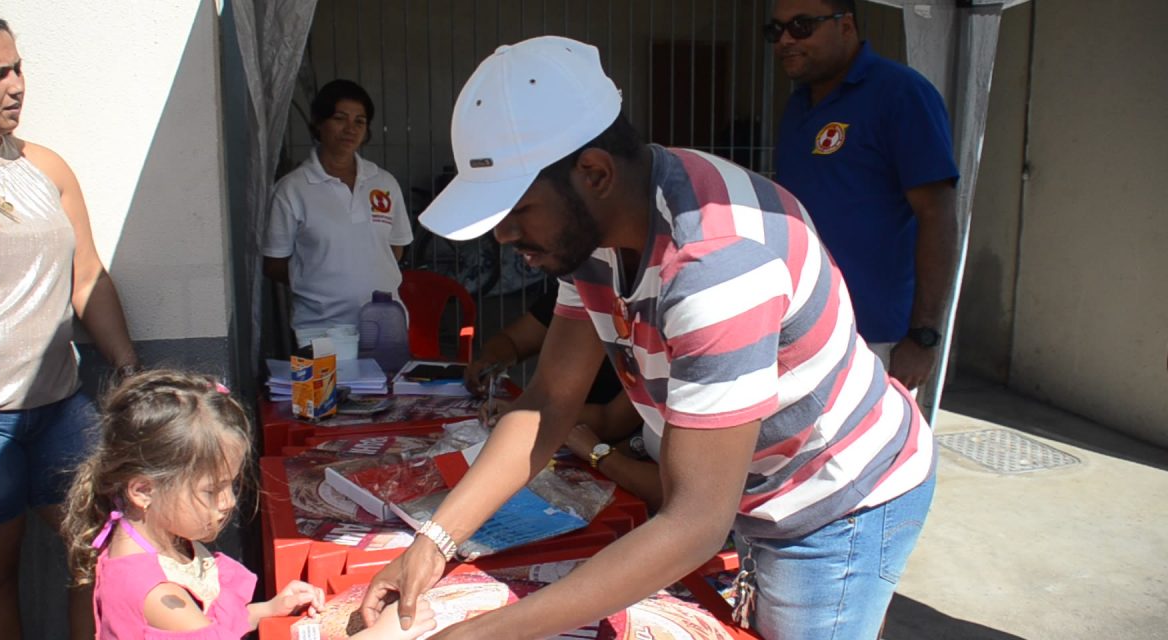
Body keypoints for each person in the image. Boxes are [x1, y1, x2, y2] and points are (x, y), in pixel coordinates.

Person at [358, 36, 936, 640]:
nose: (504, 237)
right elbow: (550, 400)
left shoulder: (719, 263)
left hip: (833, 502)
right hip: (751, 490)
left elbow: (694, 522)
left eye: (517, 212)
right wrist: (435, 539)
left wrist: (479, 632)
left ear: (595, 172)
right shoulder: (593, 227)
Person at [0, 13, 140, 639]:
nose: (17, 85)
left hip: (58, 408)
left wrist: (129, 371)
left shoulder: (45, 166)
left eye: (18, 67)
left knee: (106, 556)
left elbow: (87, 277)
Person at [63, 370, 436, 639]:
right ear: (142, 490)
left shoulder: (160, 538)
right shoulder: (158, 596)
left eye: (232, 485)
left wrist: (265, 611)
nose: (228, 503)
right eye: (212, 490)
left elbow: (214, 623)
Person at [770, 0, 960, 389]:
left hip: (875, 336)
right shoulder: (798, 105)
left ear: (846, 27)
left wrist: (923, 336)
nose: (786, 39)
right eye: (776, 30)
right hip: (803, 327)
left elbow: (937, 216)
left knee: (876, 449)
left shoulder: (901, 94)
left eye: (802, 25)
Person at [263, 79, 414, 346]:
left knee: (383, 387)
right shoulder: (292, 189)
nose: (350, 129)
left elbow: (395, 248)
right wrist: (319, 280)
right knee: (325, 389)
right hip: (321, 329)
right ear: (318, 123)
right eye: (339, 118)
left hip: (385, 323)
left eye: (360, 121)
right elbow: (275, 264)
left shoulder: (384, 182)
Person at [463, 278, 622, 403]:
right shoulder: (574, 291)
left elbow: (610, 421)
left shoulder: (637, 310)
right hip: (557, 422)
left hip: (612, 438)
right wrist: (489, 363)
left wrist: (520, 413)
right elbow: (512, 340)